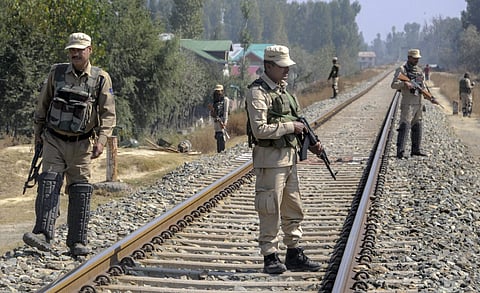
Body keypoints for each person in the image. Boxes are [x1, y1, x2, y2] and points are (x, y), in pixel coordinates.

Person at [23, 32, 116, 257]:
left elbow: (109, 114)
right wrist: (38, 134)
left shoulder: (101, 78)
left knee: (81, 190)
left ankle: (77, 241)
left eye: (80, 49)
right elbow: (42, 106)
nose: (75, 53)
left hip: (82, 144)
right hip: (53, 139)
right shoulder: (56, 73)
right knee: (48, 183)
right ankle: (43, 233)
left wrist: (102, 141)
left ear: (89, 50)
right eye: (72, 49)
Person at [246, 45, 322, 274]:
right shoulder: (257, 92)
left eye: (287, 66)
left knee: (293, 207)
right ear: (268, 66)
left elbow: (298, 119)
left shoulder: (283, 91)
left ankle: (293, 253)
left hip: (289, 159)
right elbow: (259, 130)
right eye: (282, 66)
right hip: (270, 161)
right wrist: (291, 127)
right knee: (269, 209)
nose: (287, 70)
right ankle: (270, 256)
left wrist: (312, 141)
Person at [391, 48, 428, 159]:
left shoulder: (420, 71)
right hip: (408, 103)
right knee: (405, 125)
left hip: (418, 102)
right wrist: (405, 84)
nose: (416, 60)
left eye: (418, 58)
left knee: (417, 125)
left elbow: (423, 86)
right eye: (414, 58)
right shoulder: (402, 70)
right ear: (409, 58)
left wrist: (429, 96)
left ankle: (416, 149)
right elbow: (394, 85)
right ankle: (400, 151)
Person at [210, 84, 230, 153]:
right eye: (217, 91)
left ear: (222, 91)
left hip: (222, 120)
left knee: (222, 136)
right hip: (216, 122)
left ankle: (222, 151)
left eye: (219, 91)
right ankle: (219, 152)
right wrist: (214, 117)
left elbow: (226, 112)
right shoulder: (215, 101)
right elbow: (212, 113)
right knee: (218, 136)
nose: (218, 93)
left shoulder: (225, 100)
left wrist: (224, 123)